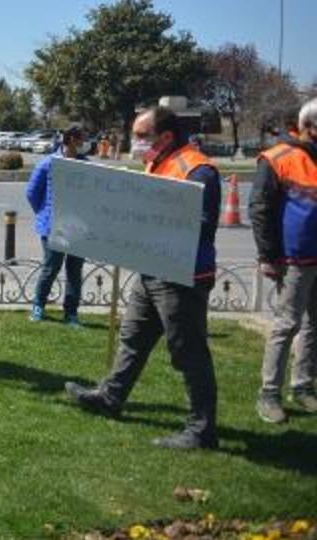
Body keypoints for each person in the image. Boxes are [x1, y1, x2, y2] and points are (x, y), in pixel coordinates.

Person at [65, 106, 222, 450]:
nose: (134, 141)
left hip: (182, 276)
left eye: (140, 135)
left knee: (188, 351)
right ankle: (110, 397)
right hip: (152, 269)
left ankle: (202, 430)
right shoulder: (158, 162)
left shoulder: (198, 170)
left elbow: (200, 227)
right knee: (132, 336)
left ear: (165, 136)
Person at [250, 98, 317, 423]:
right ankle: (269, 393)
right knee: (287, 324)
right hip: (293, 260)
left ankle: (303, 386)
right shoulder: (277, 158)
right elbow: (259, 209)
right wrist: (267, 255)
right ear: (309, 127)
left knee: (315, 325)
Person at [25, 126, 89, 326]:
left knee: (74, 270)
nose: (85, 142)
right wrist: (45, 214)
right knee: (51, 267)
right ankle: (38, 306)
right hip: (53, 226)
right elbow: (32, 193)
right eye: (82, 138)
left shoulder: (86, 165)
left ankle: (71, 313)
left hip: (78, 226)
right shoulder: (48, 163)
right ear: (71, 139)